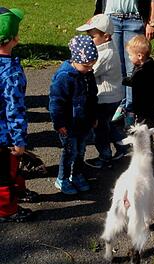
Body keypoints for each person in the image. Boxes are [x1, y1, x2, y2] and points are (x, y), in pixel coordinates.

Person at [94, 0, 154, 127]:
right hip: (111, 17)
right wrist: (97, 14)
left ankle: (131, 111)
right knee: (118, 67)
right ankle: (121, 107)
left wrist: (151, 22)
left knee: (134, 70)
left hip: (134, 18)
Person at [49, 35, 99, 195]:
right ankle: (62, 178)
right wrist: (59, 123)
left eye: (92, 65)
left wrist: (93, 117)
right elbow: (57, 102)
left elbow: (93, 97)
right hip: (69, 124)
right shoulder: (64, 77)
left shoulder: (87, 74)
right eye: (86, 65)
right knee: (70, 151)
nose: (90, 68)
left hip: (84, 122)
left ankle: (76, 174)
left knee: (81, 150)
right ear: (75, 60)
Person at [76, 14, 126, 169]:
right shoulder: (103, 49)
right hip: (112, 96)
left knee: (100, 129)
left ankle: (105, 157)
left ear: (106, 37)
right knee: (107, 125)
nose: (89, 40)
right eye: (88, 36)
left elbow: (89, 70)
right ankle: (123, 145)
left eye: (92, 37)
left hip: (105, 98)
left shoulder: (105, 54)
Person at [0, 7, 36, 222]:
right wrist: (18, 140)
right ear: (14, 38)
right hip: (5, 137)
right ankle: (7, 210)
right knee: (6, 174)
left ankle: (18, 191)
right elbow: (14, 109)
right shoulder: (10, 72)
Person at [119, 34, 154, 128]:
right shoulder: (152, 67)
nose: (129, 57)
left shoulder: (143, 71)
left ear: (139, 56)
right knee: (148, 126)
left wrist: (119, 79)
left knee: (143, 127)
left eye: (130, 55)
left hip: (144, 107)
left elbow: (133, 82)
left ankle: (144, 142)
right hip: (152, 106)